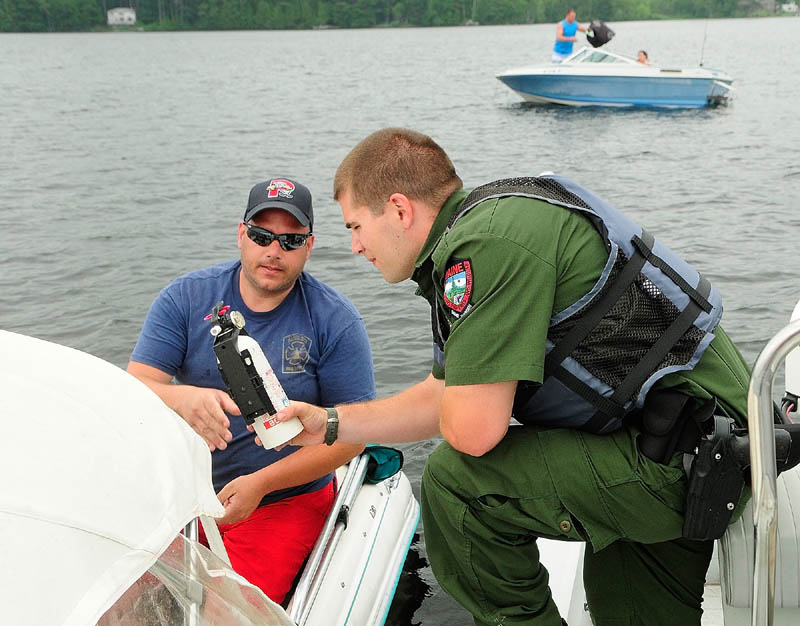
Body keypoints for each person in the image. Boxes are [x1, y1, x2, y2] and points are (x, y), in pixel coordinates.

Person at [270, 129, 755, 626]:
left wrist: (467, 405)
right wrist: (330, 424)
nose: (353, 247)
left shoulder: (484, 247)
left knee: (454, 482)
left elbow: (473, 432)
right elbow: (443, 396)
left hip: (679, 460)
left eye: (355, 226)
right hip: (696, 445)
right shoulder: (498, 221)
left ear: (398, 209)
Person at [127, 177, 374, 604]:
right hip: (189, 491)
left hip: (285, 499)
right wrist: (181, 398)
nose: (273, 251)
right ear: (241, 235)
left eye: (290, 240)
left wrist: (261, 483)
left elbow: (354, 435)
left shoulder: (335, 320)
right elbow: (134, 387)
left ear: (309, 246)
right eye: (261, 236)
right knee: (123, 597)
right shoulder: (184, 299)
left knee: (229, 609)